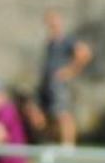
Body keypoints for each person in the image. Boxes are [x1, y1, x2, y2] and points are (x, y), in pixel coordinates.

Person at [38, 10, 93, 146]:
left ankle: (68, 145)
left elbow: (85, 53)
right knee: (51, 114)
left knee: (63, 113)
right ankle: (54, 141)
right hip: (49, 83)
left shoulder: (66, 39)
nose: (51, 24)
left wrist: (71, 71)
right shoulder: (51, 42)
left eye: (54, 20)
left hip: (59, 84)